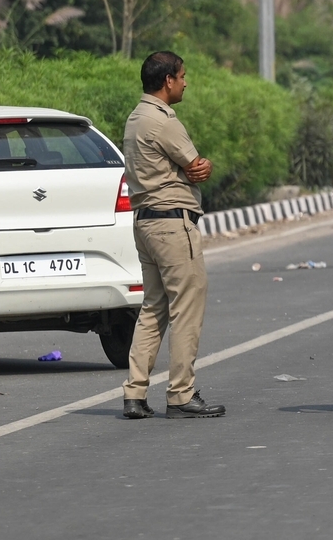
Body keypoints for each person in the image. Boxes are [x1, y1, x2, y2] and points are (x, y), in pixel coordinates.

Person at [120, 51, 225, 420]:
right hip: (171, 223)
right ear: (168, 80)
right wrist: (203, 165)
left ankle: (134, 392)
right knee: (186, 309)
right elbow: (195, 165)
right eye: (182, 76)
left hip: (145, 223)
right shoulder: (162, 120)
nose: (185, 82)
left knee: (153, 309)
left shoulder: (136, 117)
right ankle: (181, 393)